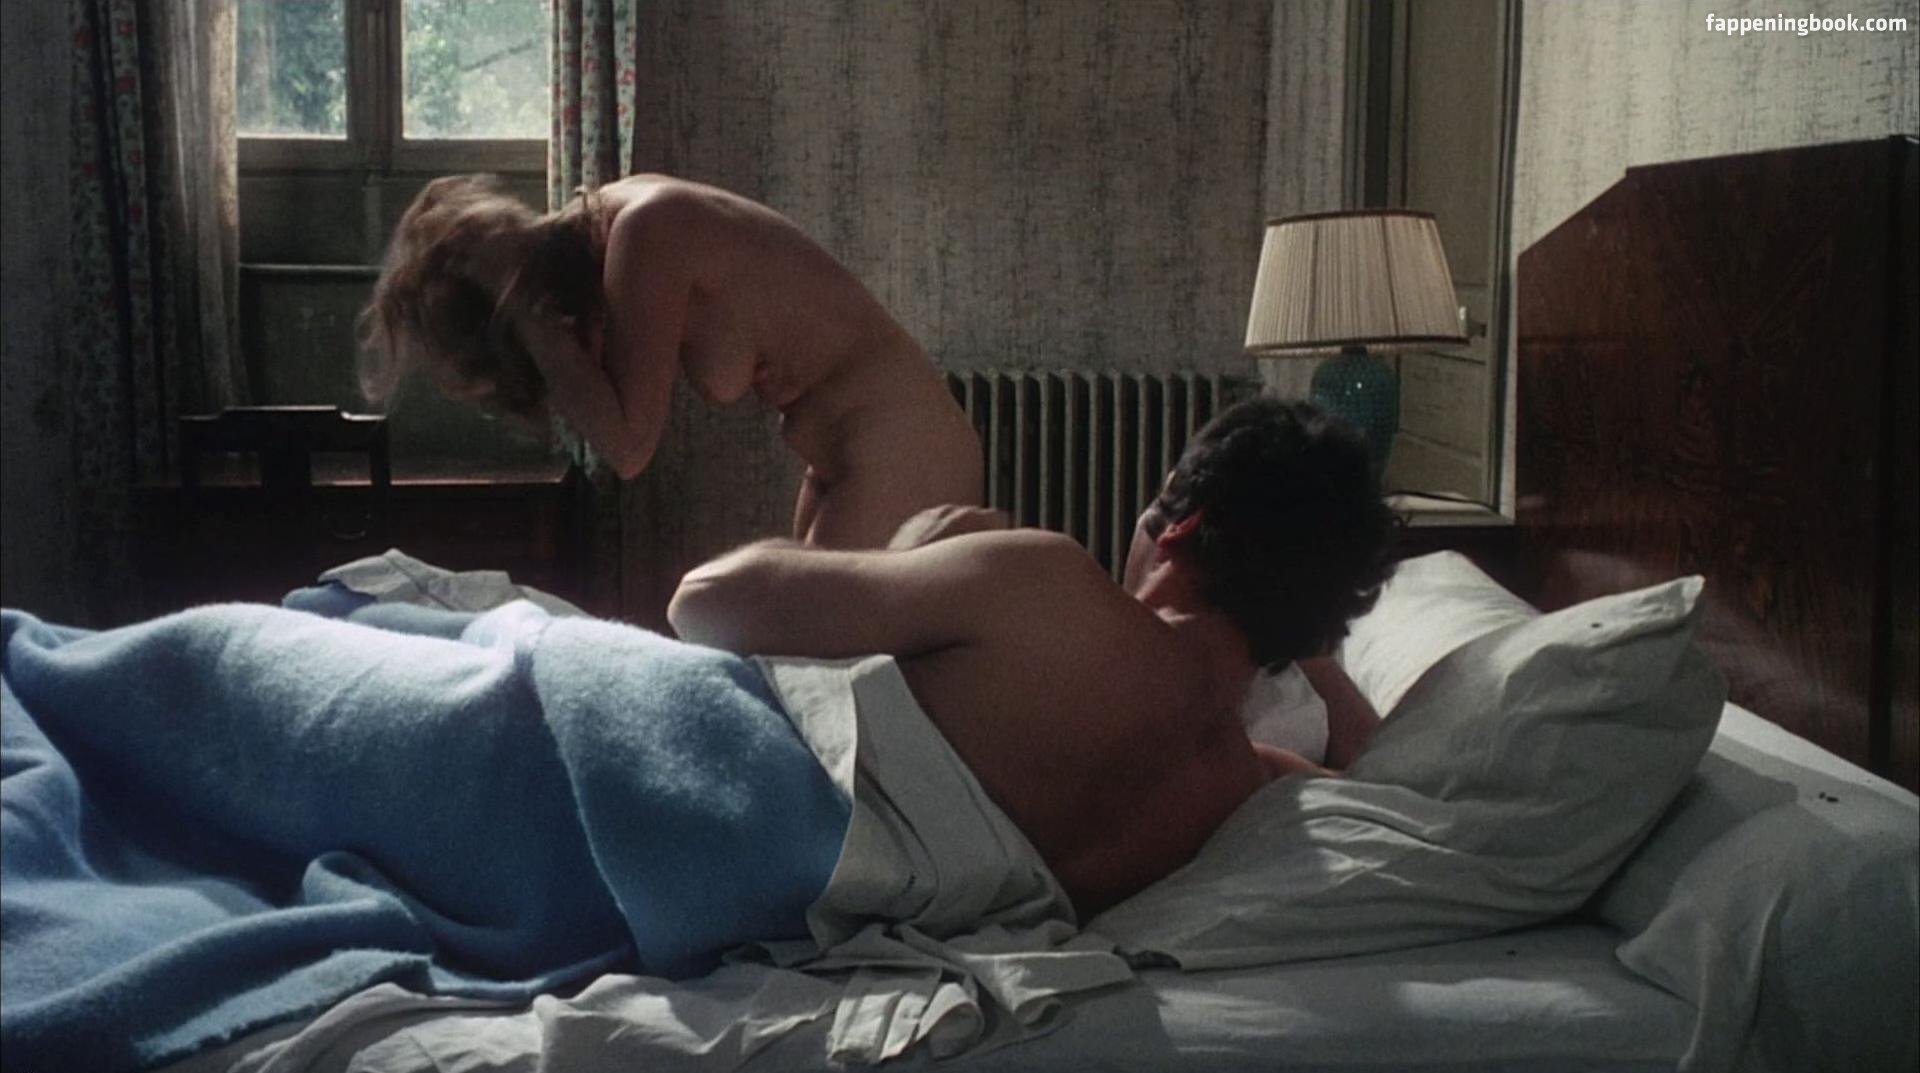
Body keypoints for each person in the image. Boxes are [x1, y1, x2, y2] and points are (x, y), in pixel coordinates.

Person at [670, 396, 1396, 915]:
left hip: (702, 810)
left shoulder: (1051, 591)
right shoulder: (1239, 792)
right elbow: (1382, 777)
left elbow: (703, 602)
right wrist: (1297, 614)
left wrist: (909, 553)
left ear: (1179, 527)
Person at [359, 173, 982, 548]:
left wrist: (527, 316)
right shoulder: (613, 232)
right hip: (850, 452)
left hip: (899, 439)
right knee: (801, 676)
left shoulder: (644, 231)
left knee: (810, 670)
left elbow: (628, 447)